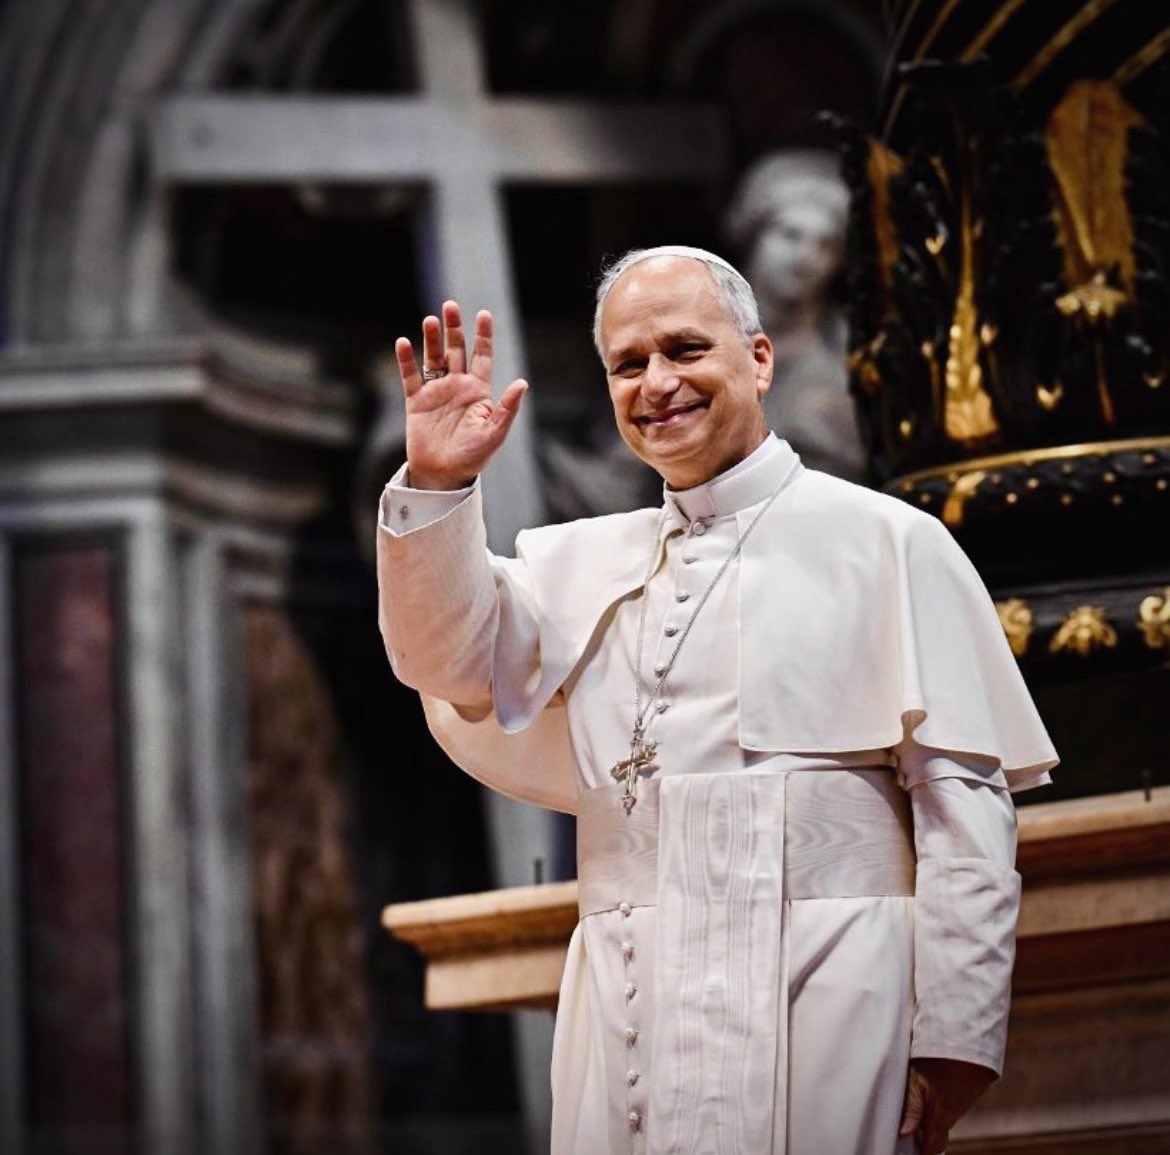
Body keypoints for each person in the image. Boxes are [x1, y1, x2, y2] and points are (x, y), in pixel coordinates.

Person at [376, 246, 1057, 1155]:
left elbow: (966, 815)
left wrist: (953, 1040)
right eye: (628, 364)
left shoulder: (891, 543)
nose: (657, 383)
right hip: (630, 997)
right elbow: (442, 658)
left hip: (833, 987)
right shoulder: (577, 563)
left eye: (686, 349)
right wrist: (440, 483)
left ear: (761, 357)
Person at [724, 151, 868, 482]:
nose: (805, 258)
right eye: (790, 235)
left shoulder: (850, 356)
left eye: (826, 245)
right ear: (754, 238)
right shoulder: (700, 336)